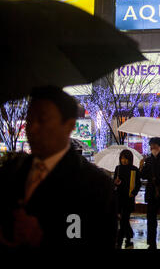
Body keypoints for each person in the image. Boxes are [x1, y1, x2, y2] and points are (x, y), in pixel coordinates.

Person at [0, 86, 117, 248]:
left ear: (69, 126)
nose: (32, 128)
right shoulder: (12, 170)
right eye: (29, 120)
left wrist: (43, 239)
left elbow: (93, 240)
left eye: (42, 120)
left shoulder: (94, 185)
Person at [113, 149, 141, 249]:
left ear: (130, 159)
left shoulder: (134, 170)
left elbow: (138, 184)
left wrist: (133, 193)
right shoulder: (118, 168)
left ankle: (119, 240)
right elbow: (114, 183)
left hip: (128, 198)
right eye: (122, 158)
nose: (123, 160)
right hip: (119, 197)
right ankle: (129, 235)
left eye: (125, 158)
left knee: (124, 219)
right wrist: (116, 182)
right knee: (123, 219)